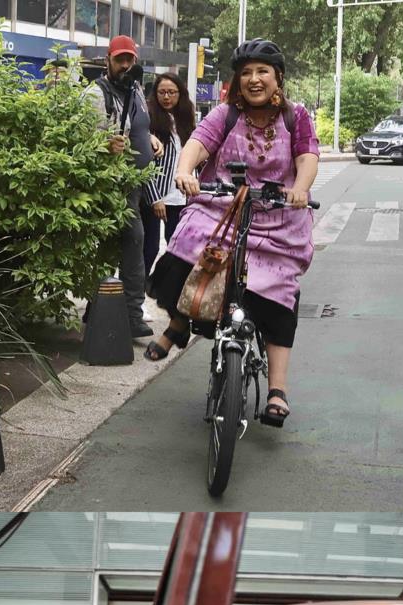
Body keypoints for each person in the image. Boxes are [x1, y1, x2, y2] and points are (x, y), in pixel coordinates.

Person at [147, 39, 319, 428]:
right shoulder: (225, 114)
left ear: (278, 78)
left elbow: (307, 157)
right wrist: (185, 171)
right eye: (246, 73)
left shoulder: (297, 117)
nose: (254, 79)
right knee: (183, 249)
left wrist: (301, 189)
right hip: (221, 208)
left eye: (262, 72)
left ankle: (277, 389)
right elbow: (197, 143)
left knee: (279, 293)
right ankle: (177, 325)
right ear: (237, 80)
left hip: (279, 219)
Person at [83, 36, 163, 340]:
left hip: (140, 183)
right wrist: (105, 146)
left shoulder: (136, 89)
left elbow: (139, 125)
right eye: (120, 59)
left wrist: (150, 137)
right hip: (115, 185)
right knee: (133, 240)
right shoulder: (96, 94)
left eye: (130, 59)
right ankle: (130, 314)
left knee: (119, 247)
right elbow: (85, 141)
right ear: (107, 60)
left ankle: (101, 309)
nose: (126, 65)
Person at [141, 71, 196, 282]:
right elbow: (145, 164)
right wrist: (155, 198)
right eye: (162, 92)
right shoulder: (149, 119)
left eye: (172, 92)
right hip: (155, 196)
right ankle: (137, 298)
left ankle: (159, 289)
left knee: (177, 250)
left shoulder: (185, 120)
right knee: (150, 249)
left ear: (180, 94)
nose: (166, 97)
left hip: (180, 196)